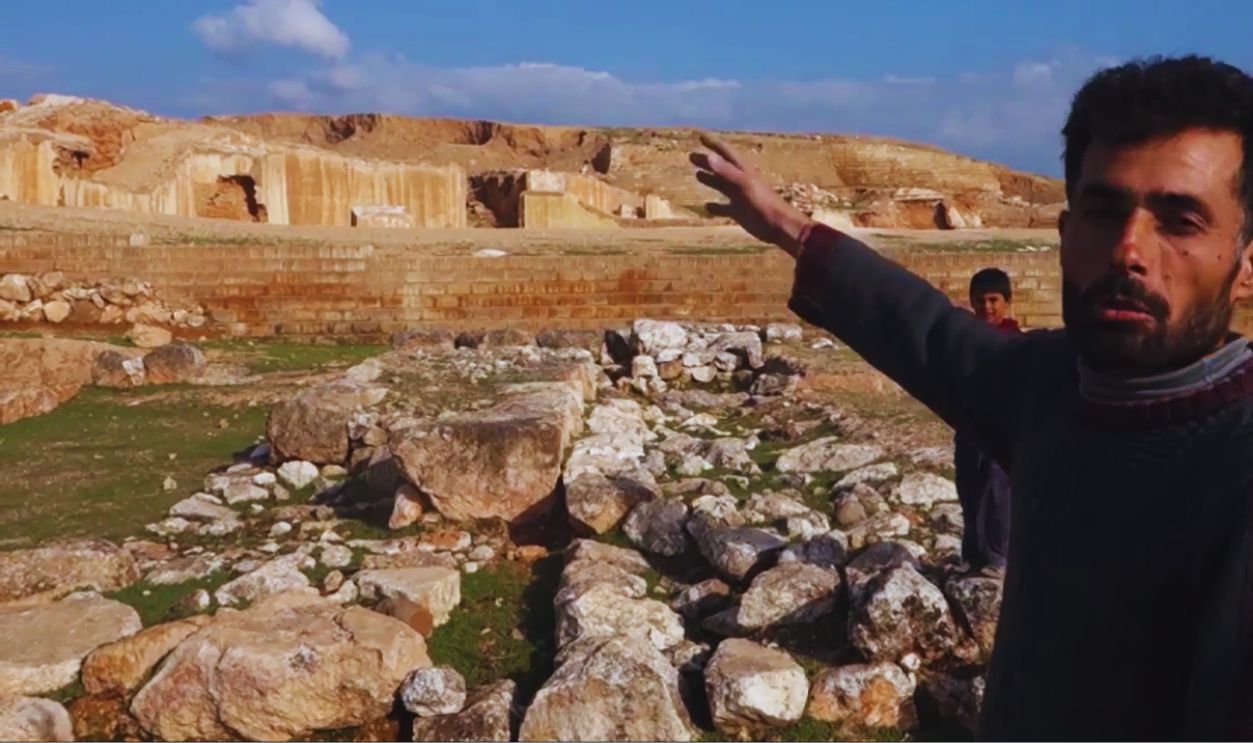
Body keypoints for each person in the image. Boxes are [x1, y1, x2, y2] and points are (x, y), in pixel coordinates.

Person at [690, 55, 1253, 739]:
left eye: (1181, 221)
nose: (1128, 250)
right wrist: (785, 224)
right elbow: (924, 332)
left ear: (1246, 263)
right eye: (1104, 213)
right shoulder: (1050, 385)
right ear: (1063, 235)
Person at [955, 268, 1021, 578]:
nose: (987, 307)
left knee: (997, 490)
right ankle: (972, 555)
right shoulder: (964, 339)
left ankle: (999, 557)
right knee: (969, 488)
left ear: (1007, 302)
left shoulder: (1016, 342)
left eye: (994, 300)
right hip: (969, 428)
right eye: (980, 300)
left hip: (1003, 430)